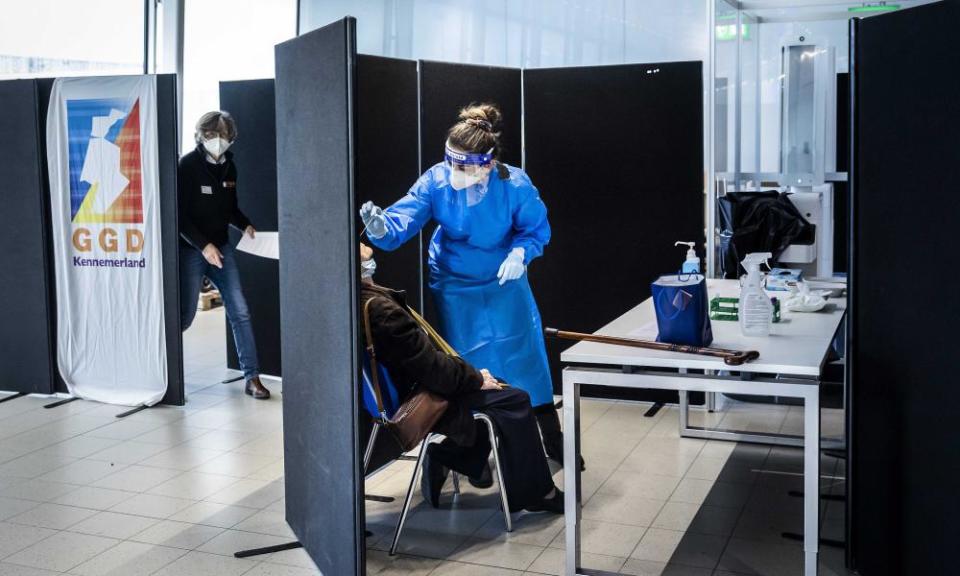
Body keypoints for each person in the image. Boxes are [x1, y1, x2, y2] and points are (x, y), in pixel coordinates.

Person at [360, 103, 577, 468]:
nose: (454, 173)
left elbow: (535, 230)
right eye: (450, 163)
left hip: (504, 281)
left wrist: (520, 255)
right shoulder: (437, 180)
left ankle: (553, 439)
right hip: (454, 283)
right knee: (468, 364)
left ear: (487, 164)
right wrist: (383, 227)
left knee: (526, 359)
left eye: (463, 166)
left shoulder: (515, 185)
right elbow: (405, 216)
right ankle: (470, 449)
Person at [360, 243, 562, 513]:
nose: (366, 245)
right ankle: (537, 493)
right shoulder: (382, 311)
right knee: (514, 399)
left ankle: (449, 456)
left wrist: (472, 376)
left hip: (405, 390)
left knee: (498, 390)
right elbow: (431, 369)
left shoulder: (358, 302)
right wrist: (475, 378)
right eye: (359, 245)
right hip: (417, 397)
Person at [178, 111, 269, 399]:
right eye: (212, 136)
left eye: (223, 137)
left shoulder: (230, 167)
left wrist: (245, 224)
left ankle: (252, 377)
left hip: (222, 248)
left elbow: (230, 207)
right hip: (192, 250)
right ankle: (161, 369)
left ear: (231, 139)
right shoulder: (187, 166)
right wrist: (203, 246)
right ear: (201, 136)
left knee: (240, 311)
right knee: (184, 316)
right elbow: (178, 217)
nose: (218, 141)